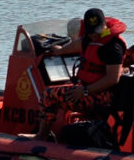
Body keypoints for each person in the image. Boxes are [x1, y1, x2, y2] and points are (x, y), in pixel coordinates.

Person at [35, 8, 127, 139]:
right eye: (91, 32)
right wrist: (59, 51)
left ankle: (41, 136)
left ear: (105, 26)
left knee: (48, 96)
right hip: (89, 90)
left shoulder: (113, 47)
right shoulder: (89, 39)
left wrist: (84, 91)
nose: (94, 35)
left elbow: (112, 79)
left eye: (97, 32)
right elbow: (78, 44)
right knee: (64, 91)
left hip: (103, 96)